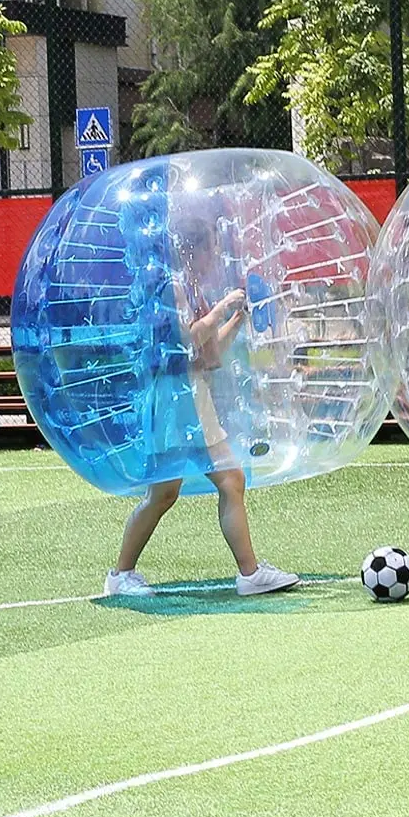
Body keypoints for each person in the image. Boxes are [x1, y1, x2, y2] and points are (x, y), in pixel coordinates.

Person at [104, 214, 299, 598]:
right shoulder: (173, 285)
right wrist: (223, 307)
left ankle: (121, 574)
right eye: (211, 243)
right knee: (229, 479)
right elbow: (186, 341)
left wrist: (238, 319)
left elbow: (209, 353)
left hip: (186, 394)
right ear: (193, 248)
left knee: (165, 493)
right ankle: (249, 572)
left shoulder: (187, 286)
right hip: (181, 398)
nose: (216, 252)